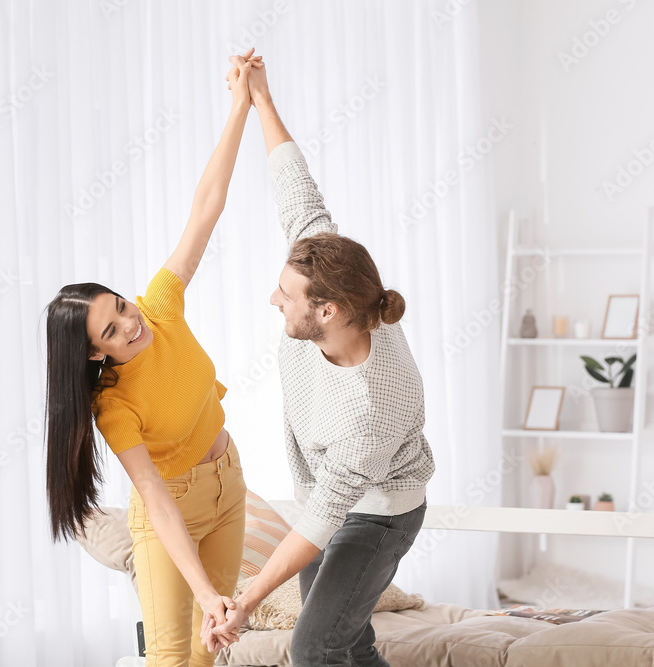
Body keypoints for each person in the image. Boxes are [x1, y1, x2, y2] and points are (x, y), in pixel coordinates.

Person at [202, 54, 436, 667]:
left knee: (313, 647)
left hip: (381, 514)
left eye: (286, 295)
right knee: (348, 641)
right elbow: (297, 190)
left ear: (328, 311)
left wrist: (245, 604)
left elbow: (318, 524)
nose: (273, 298)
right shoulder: (340, 284)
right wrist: (260, 99)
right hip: (330, 502)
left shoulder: (370, 408)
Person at [43, 49, 262, 667]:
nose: (130, 324)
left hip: (229, 484)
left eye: (121, 307)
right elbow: (158, 502)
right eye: (113, 331)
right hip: (172, 510)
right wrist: (207, 594)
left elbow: (206, 206)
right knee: (174, 656)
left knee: (212, 654)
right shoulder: (114, 406)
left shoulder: (160, 304)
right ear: (93, 353)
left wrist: (240, 105)